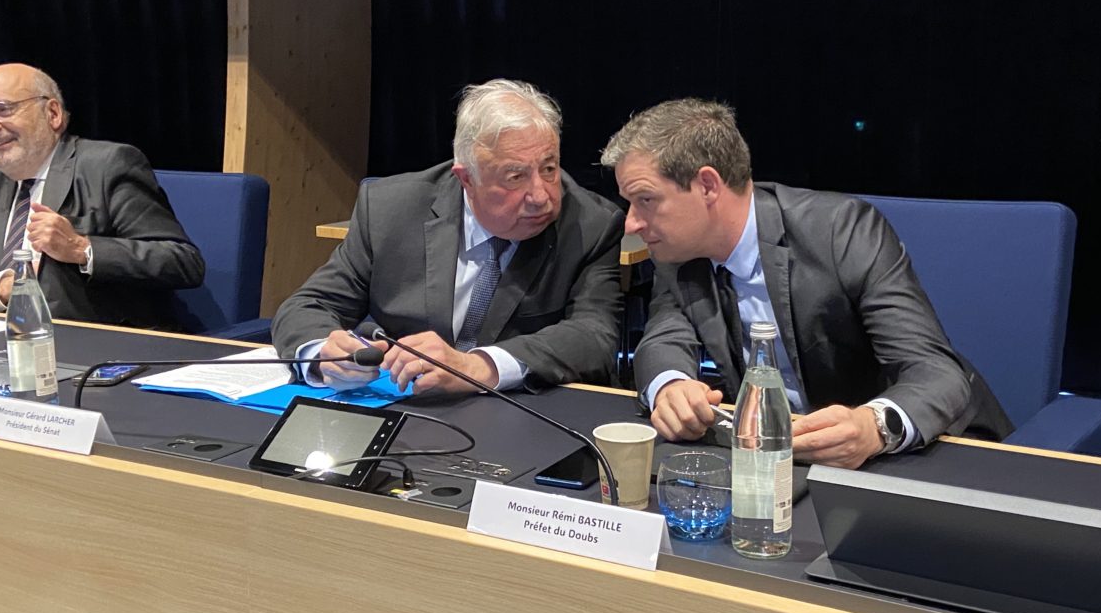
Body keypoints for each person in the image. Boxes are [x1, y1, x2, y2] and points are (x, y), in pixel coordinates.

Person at [602, 98, 1012, 469]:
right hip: (786, 463)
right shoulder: (678, 253)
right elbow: (663, 337)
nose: (632, 222)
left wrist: (875, 427)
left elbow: (937, 371)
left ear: (707, 185)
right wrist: (670, 385)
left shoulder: (840, 231)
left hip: (917, 454)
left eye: (646, 200)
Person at [273, 79, 624, 394]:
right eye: (515, 177)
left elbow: (594, 336)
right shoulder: (390, 210)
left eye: (549, 168)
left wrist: (477, 366)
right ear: (466, 178)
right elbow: (307, 306)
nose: (541, 194)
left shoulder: (590, 224)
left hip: (524, 417)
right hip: (403, 409)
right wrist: (323, 353)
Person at [0, 63, 204, 329]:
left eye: (2, 109)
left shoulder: (108, 165)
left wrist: (81, 248)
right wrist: (1, 289)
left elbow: (182, 262)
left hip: (95, 345)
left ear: (52, 113)